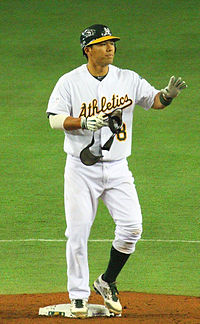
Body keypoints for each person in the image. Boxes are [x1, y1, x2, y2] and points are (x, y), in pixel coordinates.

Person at [46, 24, 187, 318]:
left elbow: (155, 101)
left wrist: (169, 95)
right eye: (102, 43)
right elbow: (54, 120)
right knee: (78, 232)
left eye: (112, 43)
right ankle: (79, 297)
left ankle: (107, 280)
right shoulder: (70, 82)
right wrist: (82, 123)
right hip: (80, 170)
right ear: (88, 50)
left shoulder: (128, 78)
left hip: (118, 168)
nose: (110, 47)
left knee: (132, 226)